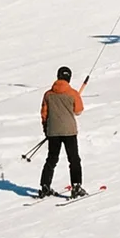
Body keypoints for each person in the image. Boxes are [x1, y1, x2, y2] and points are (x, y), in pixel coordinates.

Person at [38, 66, 86, 199]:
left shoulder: (48, 94)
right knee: (74, 159)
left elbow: (44, 114)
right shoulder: (73, 93)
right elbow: (78, 111)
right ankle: (76, 186)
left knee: (52, 159)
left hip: (53, 131)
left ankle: (45, 186)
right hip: (69, 131)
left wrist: (46, 129)